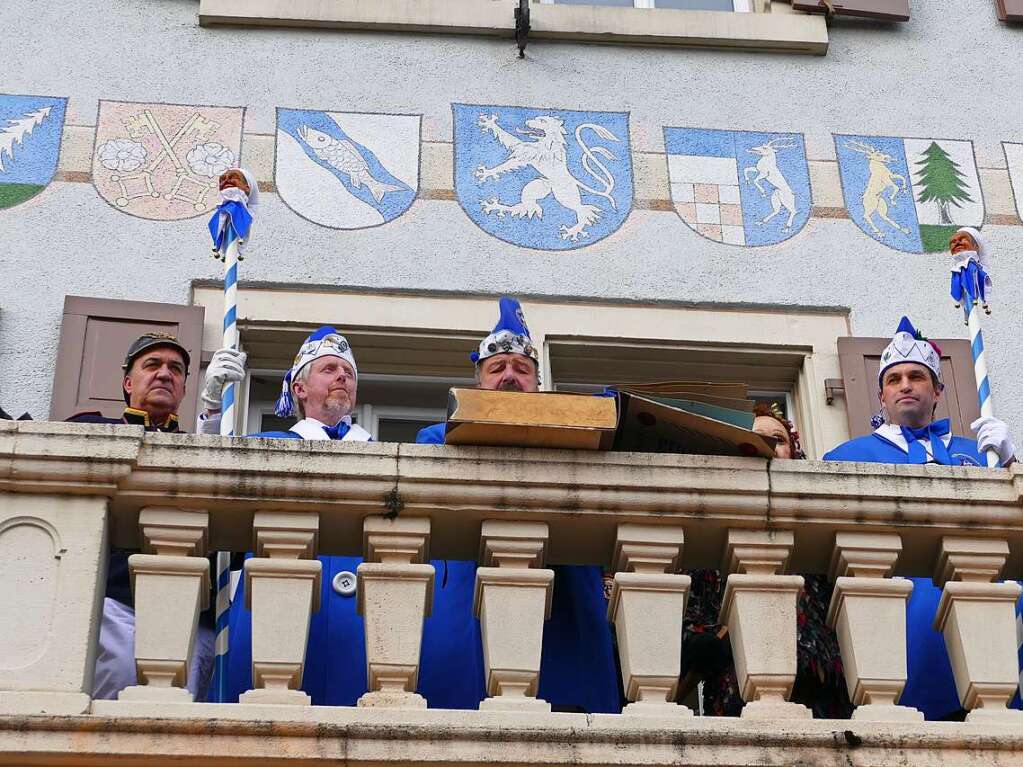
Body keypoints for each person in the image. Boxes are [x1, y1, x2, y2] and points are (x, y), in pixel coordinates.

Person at [416, 297, 621, 714]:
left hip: (565, 606)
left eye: (521, 369)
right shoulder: (438, 437)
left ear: (538, 383)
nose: (510, 376)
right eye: (498, 368)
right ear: (478, 383)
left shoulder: (573, 429)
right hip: (470, 602)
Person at [823, 316, 1017, 720]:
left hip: (988, 612)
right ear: (881, 396)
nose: (906, 385)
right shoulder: (846, 458)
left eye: (917, 376)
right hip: (905, 617)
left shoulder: (982, 451)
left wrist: (1012, 462)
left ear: (938, 391)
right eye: (894, 379)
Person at [66, 332, 216, 701]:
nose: (165, 374)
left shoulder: (202, 445)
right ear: (128, 382)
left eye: (176, 370)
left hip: (188, 607)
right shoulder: (94, 429)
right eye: (153, 365)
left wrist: (213, 425)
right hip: (114, 597)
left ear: (183, 390)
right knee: (115, 675)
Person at [680, 404, 852, 718]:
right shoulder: (710, 528)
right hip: (739, 693)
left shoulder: (819, 524)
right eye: (757, 438)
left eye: (778, 439)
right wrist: (701, 642)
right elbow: (691, 609)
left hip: (821, 691)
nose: (770, 445)